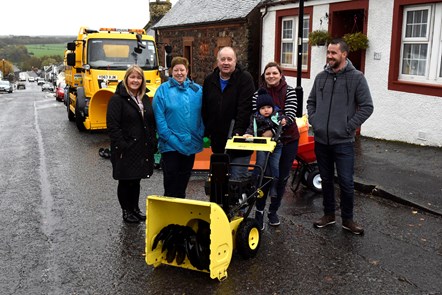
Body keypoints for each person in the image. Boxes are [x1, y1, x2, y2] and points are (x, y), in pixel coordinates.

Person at [307, 38, 374, 235]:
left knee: (345, 182)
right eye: (328, 52)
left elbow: (367, 107)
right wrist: (315, 121)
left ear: (344, 54)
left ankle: (348, 219)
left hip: (343, 142)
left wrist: (349, 127)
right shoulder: (321, 77)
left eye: (333, 53)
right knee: (326, 180)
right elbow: (311, 102)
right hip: (321, 140)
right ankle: (328, 215)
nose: (329, 56)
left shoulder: (357, 78)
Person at [106, 65, 157, 223]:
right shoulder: (117, 100)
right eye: (132, 77)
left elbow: (150, 122)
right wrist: (122, 144)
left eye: (139, 77)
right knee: (125, 180)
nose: (135, 80)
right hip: (125, 148)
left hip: (141, 147)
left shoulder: (144, 98)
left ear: (142, 81)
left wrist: (152, 140)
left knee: (136, 179)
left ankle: (135, 208)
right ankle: (126, 211)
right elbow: (112, 126)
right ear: (126, 79)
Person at [252, 62, 299, 229]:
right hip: (265, 143)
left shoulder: (290, 91)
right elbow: (255, 115)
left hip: (287, 140)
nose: (271, 76)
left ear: (280, 74)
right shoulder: (258, 94)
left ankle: (273, 211)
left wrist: (273, 130)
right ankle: (259, 211)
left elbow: (290, 114)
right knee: (264, 176)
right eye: (268, 73)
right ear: (264, 76)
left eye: (274, 73)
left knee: (281, 177)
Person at [153, 56, 204, 198]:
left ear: (187, 71)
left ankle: (180, 211)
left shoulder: (197, 90)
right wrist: (170, 138)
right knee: (171, 180)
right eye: (176, 70)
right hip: (170, 145)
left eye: (182, 70)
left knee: (183, 179)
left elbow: (205, 113)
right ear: (171, 71)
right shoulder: (162, 91)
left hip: (191, 144)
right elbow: (160, 119)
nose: (179, 73)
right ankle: (169, 212)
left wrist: (201, 133)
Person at [202, 46, 255, 179]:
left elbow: (245, 108)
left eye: (229, 59)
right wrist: (207, 131)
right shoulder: (209, 80)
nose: (226, 62)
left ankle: (241, 199)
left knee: (236, 180)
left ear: (235, 61)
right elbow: (205, 107)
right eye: (223, 59)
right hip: (218, 141)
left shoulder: (245, 78)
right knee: (219, 181)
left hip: (239, 139)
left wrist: (237, 131)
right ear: (217, 61)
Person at [244, 89, 285, 205]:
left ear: (272, 107)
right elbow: (251, 128)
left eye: (268, 107)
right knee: (260, 164)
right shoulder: (255, 118)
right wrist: (248, 134)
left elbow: (282, 127)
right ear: (258, 110)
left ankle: (274, 187)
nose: (266, 110)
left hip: (276, 145)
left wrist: (281, 123)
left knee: (275, 167)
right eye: (262, 108)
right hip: (262, 144)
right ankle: (254, 185)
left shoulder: (277, 115)